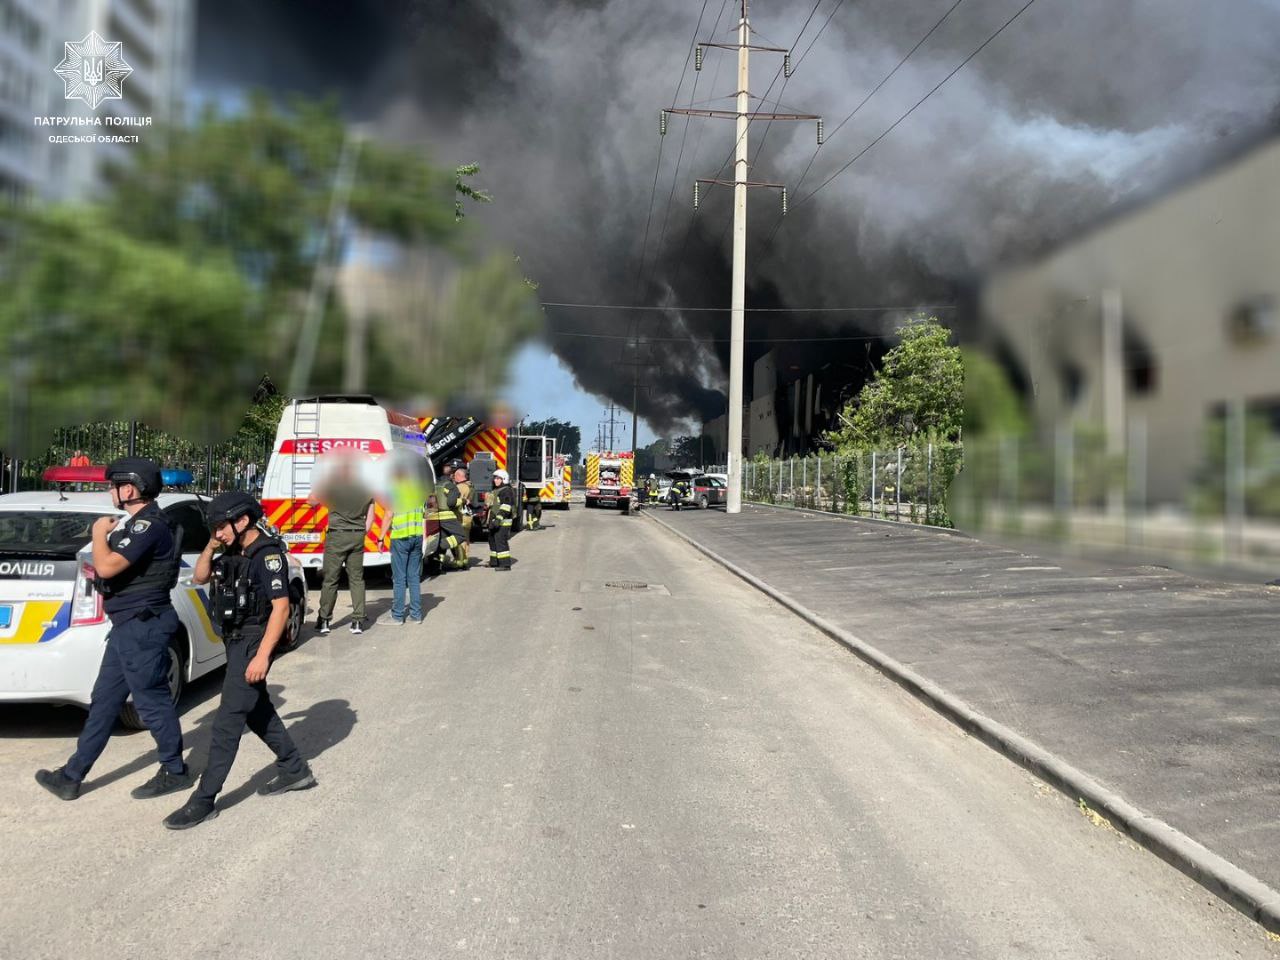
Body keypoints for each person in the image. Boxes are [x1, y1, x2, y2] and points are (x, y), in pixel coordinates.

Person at [35, 458, 194, 802]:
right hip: (127, 626)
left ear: (130, 488)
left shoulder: (148, 526)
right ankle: (72, 775)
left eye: (114, 486)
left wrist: (97, 533)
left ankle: (175, 770)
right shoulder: (135, 525)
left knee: (151, 701)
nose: (110, 492)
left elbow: (107, 567)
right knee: (105, 701)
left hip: (143, 626)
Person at [163, 491, 313, 830]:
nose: (217, 532)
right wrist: (211, 546)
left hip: (253, 642)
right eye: (214, 528)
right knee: (257, 710)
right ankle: (294, 769)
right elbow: (200, 577)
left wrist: (262, 656)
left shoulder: (267, 556)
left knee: (227, 722)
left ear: (243, 521)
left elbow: (281, 609)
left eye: (221, 526)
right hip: (234, 641)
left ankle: (204, 800)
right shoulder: (231, 549)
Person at [311, 457, 374, 635]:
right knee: (357, 579)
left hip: (337, 536)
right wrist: (361, 532)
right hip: (357, 536)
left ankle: (324, 620)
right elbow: (371, 516)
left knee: (331, 579)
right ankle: (358, 621)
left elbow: (311, 500)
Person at [382, 457, 427, 625]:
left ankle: (397, 616)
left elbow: (389, 514)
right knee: (414, 578)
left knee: (399, 579)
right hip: (417, 537)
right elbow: (423, 514)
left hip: (400, 538)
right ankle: (416, 615)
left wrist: (380, 537)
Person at [430, 459, 469, 571]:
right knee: (460, 536)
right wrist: (463, 501)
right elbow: (451, 503)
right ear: (452, 475)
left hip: (434, 516)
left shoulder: (435, 484)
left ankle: (435, 567)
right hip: (447, 516)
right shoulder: (451, 486)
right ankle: (438, 545)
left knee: (444, 537)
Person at [486, 468, 516, 571]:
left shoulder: (506, 491)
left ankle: (505, 564)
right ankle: (494, 562)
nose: (495, 480)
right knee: (492, 541)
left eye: (498, 479)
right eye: (495, 478)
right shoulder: (496, 490)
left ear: (504, 479)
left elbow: (506, 506)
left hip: (503, 522)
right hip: (494, 520)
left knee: (500, 541)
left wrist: (498, 519)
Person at [452, 462, 474, 568]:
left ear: (460, 476)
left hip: (461, 517)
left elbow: (455, 501)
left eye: (455, 475)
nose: (454, 477)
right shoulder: (470, 485)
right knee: (466, 539)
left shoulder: (460, 487)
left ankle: (460, 560)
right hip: (467, 517)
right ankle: (465, 559)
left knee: (460, 540)